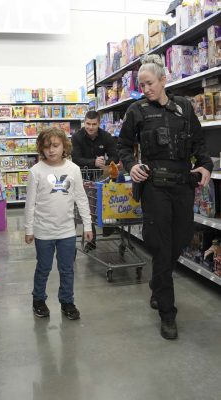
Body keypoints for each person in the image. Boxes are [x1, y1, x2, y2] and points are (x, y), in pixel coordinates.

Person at [118, 54, 213, 340]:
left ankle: (158, 284)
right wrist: (130, 166)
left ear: (163, 80)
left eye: (148, 83)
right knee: (161, 246)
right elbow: (123, 146)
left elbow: (198, 143)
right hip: (154, 186)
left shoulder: (184, 106)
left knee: (182, 239)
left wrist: (205, 165)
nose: (144, 88)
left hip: (183, 185)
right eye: (140, 84)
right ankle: (167, 312)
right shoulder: (136, 110)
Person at [24, 127, 93, 320]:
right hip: (43, 231)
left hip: (67, 231)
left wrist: (87, 225)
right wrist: (29, 229)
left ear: (65, 146)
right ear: (41, 148)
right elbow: (30, 203)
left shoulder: (73, 169)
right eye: (46, 147)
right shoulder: (35, 171)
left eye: (55, 145)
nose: (51, 150)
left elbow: (81, 198)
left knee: (67, 269)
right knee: (43, 267)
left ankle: (67, 301)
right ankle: (38, 299)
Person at [71, 110, 119, 250]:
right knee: (88, 207)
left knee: (104, 202)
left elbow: (115, 156)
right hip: (82, 176)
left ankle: (108, 227)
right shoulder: (77, 137)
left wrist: (106, 161)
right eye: (88, 124)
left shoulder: (106, 136)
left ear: (99, 124)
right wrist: (94, 162)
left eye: (94, 124)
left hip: (100, 176)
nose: (90, 127)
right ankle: (91, 240)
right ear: (84, 122)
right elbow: (76, 159)